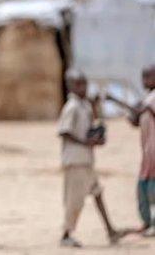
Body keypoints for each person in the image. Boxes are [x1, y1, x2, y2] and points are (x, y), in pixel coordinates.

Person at [58, 69, 121, 247]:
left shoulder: (84, 105)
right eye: (79, 84)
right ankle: (66, 234)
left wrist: (96, 135)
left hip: (86, 160)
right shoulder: (71, 107)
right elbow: (64, 132)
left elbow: (92, 125)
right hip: (75, 160)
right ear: (70, 86)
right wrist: (85, 142)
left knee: (97, 193)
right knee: (74, 200)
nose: (83, 87)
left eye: (85, 83)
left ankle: (110, 230)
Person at [123, 65, 155, 236]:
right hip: (147, 153)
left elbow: (145, 110)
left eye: (148, 77)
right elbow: (137, 119)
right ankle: (146, 221)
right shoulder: (147, 98)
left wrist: (116, 100)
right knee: (142, 190)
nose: (144, 81)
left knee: (152, 191)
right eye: (143, 77)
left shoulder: (152, 99)